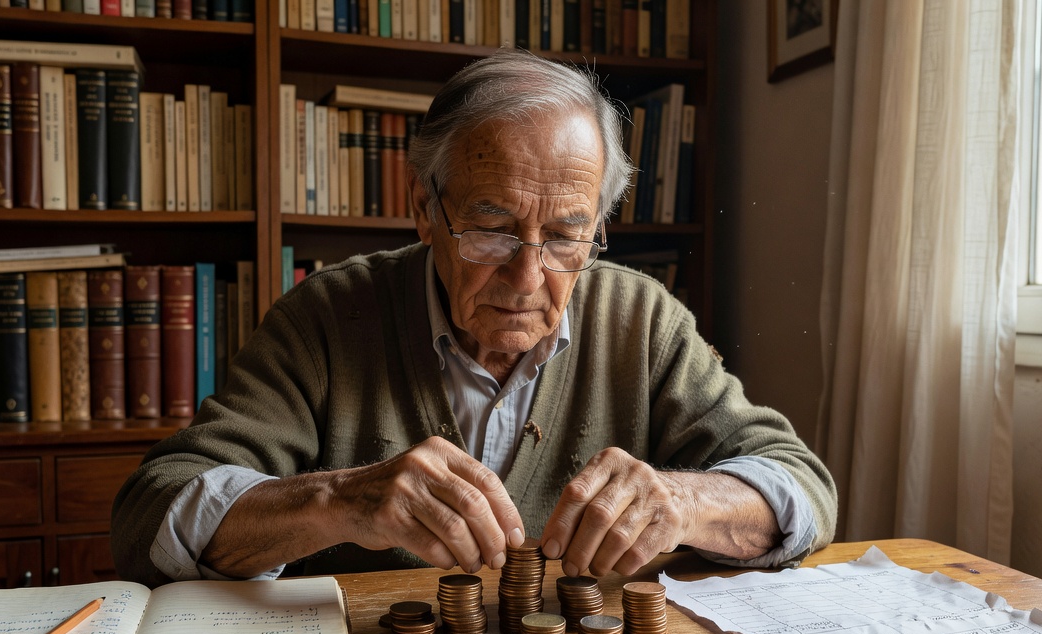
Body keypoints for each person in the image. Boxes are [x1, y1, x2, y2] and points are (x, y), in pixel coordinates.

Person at [111, 49, 836, 587]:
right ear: (425, 208)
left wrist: (683, 501)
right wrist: (341, 499)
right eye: (491, 229)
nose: (528, 277)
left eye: (564, 236)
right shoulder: (330, 316)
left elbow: (801, 488)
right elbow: (153, 513)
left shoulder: (639, 318)